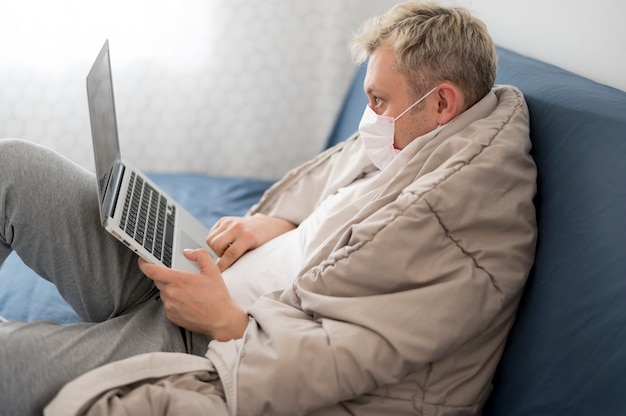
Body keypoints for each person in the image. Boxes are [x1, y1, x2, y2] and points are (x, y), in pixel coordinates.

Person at [0, 1, 537, 415]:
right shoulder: (427, 138)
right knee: (16, 168)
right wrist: (274, 222)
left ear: (442, 102)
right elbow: (334, 203)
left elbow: (356, 351)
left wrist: (226, 319)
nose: (367, 118)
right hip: (202, 283)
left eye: (378, 100)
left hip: (216, 344)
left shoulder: (460, 221)